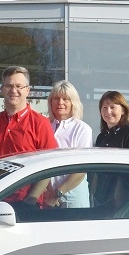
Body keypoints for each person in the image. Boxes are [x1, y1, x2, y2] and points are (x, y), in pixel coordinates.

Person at [0, 66, 57, 159]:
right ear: (2, 90)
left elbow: (50, 160)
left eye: (19, 86)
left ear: (27, 90)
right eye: (9, 86)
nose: (13, 90)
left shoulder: (41, 123)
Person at [42, 80, 92, 208]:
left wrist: (58, 193)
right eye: (56, 98)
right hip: (46, 196)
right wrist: (48, 191)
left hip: (72, 197)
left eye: (66, 99)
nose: (60, 102)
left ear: (73, 103)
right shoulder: (43, 126)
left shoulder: (82, 129)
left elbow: (82, 168)